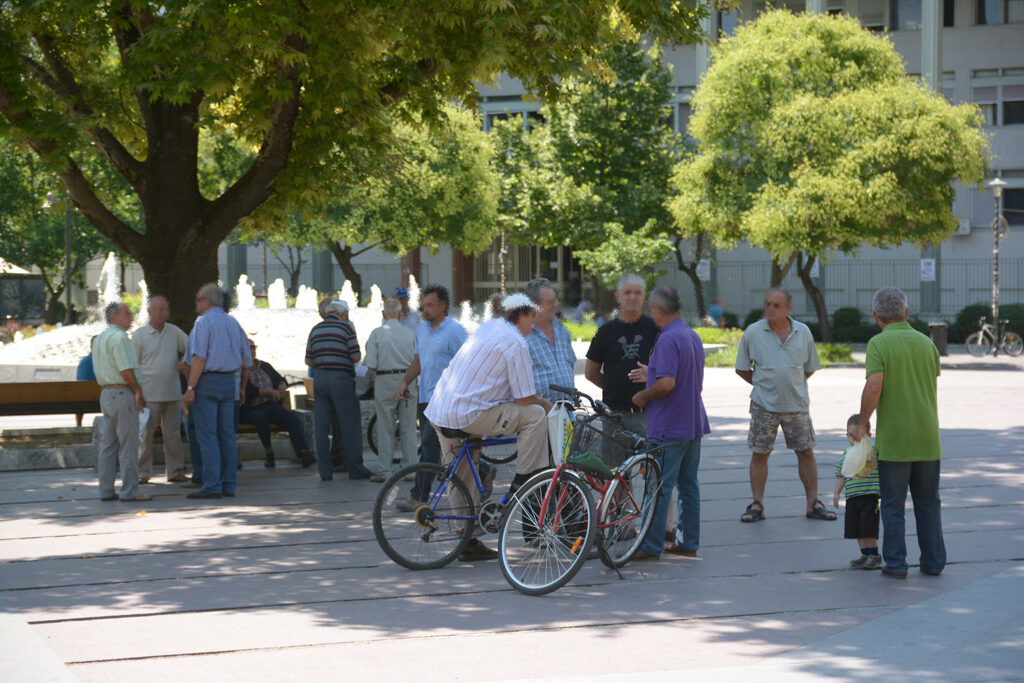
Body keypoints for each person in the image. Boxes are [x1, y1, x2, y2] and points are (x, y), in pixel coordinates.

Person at [424, 293, 553, 562]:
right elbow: (525, 399)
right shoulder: (516, 343)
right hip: (468, 415)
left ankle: (467, 539)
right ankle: (527, 476)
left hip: (441, 410)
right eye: (532, 316)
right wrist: (545, 403)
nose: (534, 322)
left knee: (461, 476)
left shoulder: (489, 328)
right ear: (523, 315)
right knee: (535, 415)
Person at [851, 287, 945, 579]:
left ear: (876, 316)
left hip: (895, 441)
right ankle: (933, 562)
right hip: (928, 439)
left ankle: (896, 564)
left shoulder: (879, 344)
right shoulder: (926, 344)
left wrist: (862, 421)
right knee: (928, 504)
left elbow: (874, 385)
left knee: (893, 506)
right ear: (906, 313)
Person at [735, 288, 833, 523]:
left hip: (796, 405)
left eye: (776, 305)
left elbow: (809, 368)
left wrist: (790, 384)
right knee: (760, 454)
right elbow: (741, 368)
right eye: (767, 304)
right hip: (763, 405)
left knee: (806, 452)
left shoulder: (803, 332)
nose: (770, 309)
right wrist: (763, 384)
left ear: (789, 308)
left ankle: (813, 503)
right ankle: (757, 504)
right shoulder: (753, 332)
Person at [629, 286, 709, 560]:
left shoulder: (666, 340)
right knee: (689, 485)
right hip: (692, 422)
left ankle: (650, 546)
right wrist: (651, 373)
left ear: (659, 310)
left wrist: (643, 394)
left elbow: (667, 383)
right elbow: (682, 374)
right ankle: (688, 542)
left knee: (659, 486)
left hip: (669, 425)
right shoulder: (691, 335)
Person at [395, 284, 469, 510]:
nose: (424, 310)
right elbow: (419, 360)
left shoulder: (455, 331)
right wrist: (406, 381)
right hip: (426, 397)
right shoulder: (422, 330)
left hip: (447, 399)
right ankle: (485, 471)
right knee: (447, 447)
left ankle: (419, 496)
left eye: (429, 305)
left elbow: (467, 364)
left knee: (428, 446)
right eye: (423, 305)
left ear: (443, 306)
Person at [182, 283, 252, 500]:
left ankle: (212, 484)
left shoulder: (203, 322)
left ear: (207, 301)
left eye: (198, 299)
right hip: (228, 381)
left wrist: (191, 387)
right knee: (227, 435)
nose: (196, 304)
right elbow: (245, 358)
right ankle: (229, 484)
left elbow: (199, 358)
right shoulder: (232, 322)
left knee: (208, 435)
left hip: (208, 381)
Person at [306, 299, 379, 482]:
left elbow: (308, 360)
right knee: (350, 425)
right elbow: (355, 356)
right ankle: (355, 469)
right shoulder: (346, 329)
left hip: (320, 380)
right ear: (342, 314)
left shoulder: (315, 329)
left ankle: (325, 471)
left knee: (321, 427)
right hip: (341, 379)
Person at [585, 274, 659, 437]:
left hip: (648, 414)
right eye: (627, 292)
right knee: (613, 463)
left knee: (649, 462)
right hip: (614, 416)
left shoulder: (656, 329)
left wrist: (652, 375)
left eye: (637, 292)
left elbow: (672, 370)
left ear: (644, 296)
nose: (632, 297)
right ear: (618, 296)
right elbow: (590, 373)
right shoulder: (605, 332)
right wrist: (614, 386)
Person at [93, 302, 151, 502]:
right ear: (115, 317)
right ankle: (130, 491)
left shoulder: (101, 338)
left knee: (108, 446)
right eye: (127, 313)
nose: (131, 317)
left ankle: (105, 490)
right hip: (122, 394)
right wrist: (137, 391)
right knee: (128, 445)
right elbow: (125, 370)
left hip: (107, 395)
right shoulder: (119, 338)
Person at [132, 295, 189, 483]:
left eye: (167, 309)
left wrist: (182, 361)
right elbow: (133, 365)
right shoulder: (139, 335)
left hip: (172, 392)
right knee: (145, 435)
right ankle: (142, 473)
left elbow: (191, 348)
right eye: (161, 309)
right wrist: (137, 393)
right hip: (149, 393)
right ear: (149, 312)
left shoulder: (173, 331)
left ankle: (175, 471)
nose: (166, 313)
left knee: (172, 434)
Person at [240, 338, 315, 469]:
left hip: (271, 405)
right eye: (249, 348)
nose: (252, 351)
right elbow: (247, 391)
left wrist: (281, 386)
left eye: (254, 347)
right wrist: (268, 391)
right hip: (251, 407)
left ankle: (303, 452)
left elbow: (280, 379)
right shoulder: (240, 369)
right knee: (260, 418)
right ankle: (269, 453)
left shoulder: (265, 366)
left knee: (291, 418)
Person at [365, 297, 418, 477]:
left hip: (385, 381)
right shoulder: (411, 334)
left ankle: (385, 470)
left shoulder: (377, 334)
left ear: (383, 314)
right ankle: (410, 469)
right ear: (400, 315)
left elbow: (371, 365)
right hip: (408, 380)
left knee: (385, 427)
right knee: (409, 428)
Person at [833, 415, 882, 570]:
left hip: (869, 497)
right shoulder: (846, 455)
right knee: (857, 529)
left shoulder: (873, 454)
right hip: (852, 498)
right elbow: (841, 475)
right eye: (851, 436)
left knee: (869, 529)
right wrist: (836, 493)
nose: (854, 440)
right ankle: (865, 554)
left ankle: (874, 555)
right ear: (847, 435)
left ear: (868, 436)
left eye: (859, 437)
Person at [524, 278, 576, 403]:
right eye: (550, 302)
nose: (556, 305)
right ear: (534, 305)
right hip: (537, 415)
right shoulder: (522, 335)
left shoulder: (562, 330)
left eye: (555, 300)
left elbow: (570, 365)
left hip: (566, 414)